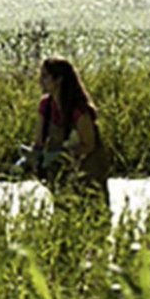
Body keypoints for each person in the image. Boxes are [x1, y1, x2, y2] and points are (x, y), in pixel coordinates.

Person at [32, 56, 111, 208]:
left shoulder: (79, 111)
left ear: (59, 80)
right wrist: (33, 158)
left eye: (45, 77)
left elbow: (89, 145)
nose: (40, 81)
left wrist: (63, 154)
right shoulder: (45, 106)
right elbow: (38, 142)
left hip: (88, 173)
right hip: (61, 176)